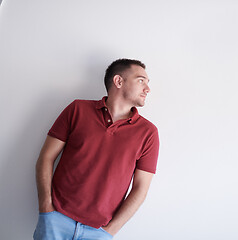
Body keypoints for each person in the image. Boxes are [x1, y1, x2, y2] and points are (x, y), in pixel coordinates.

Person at [33, 58, 160, 240]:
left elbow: (140, 189)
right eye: (141, 81)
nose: (147, 89)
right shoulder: (77, 109)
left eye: (147, 83)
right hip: (56, 221)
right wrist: (46, 207)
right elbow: (46, 157)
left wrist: (109, 232)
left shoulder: (148, 133)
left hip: (98, 232)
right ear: (118, 81)